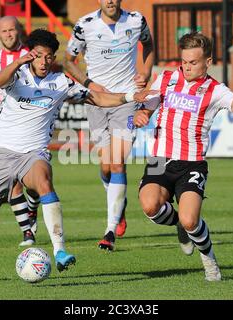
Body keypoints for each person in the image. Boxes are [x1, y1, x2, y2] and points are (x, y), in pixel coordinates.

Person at [0, 28, 155, 289]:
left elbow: (98, 98)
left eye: (49, 57)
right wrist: (17, 62)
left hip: (34, 153)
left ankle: (59, 250)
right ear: (30, 55)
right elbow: (0, 82)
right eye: (39, 56)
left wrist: (129, 97)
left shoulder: (61, 82)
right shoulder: (18, 75)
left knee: (44, 182)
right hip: (3, 154)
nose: (44, 62)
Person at [133, 32, 233, 281]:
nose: (187, 67)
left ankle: (209, 261)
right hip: (159, 159)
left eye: (193, 63)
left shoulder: (216, 90)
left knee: (190, 220)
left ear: (207, 62)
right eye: (184, 62)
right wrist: (142, 114)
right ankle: (178, 225)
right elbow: (148, 105)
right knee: (150, 207)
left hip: (191, 163)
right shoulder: (166, 78)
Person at [64, 0, 154, 251]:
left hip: (126, 100)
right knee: (106, 167)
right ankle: (119, 203)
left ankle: (110, 230)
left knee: (117, 162)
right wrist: (90, 84)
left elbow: (148, 45)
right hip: (95, 101)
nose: (110, 0)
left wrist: (145, 72)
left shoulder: (136, 20)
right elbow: (68, 61)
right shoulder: (85, 25)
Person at [0, 16, 40, 247]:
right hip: (4, 130)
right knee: (12, 181)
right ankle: (27, 231)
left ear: (19, 31)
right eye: (4, 31)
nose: (8, 34)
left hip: (31, 126)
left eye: (11, 30)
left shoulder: (32, 55)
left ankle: (33, 209)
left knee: (34, 183)